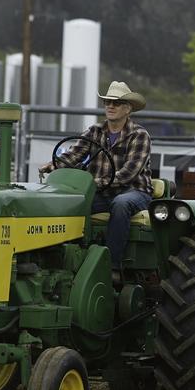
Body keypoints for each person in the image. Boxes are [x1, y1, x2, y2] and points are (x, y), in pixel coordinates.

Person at [40, 81, 153, 273]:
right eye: (107, 102)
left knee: (121, 204)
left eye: (116, 103)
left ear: (127, 109)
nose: (110, 106)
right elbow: (73, 155)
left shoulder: (139, 135)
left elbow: (128, 174)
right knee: (70, 203)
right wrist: (53, 165)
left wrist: (93, 184)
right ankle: (64, 258)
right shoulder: (94, 131)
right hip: (102, 191)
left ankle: (111, 266)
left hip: (134, 190)